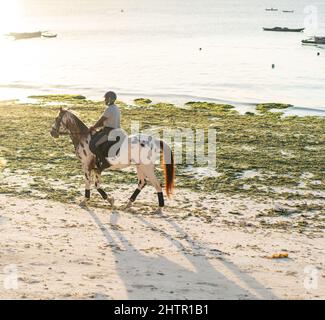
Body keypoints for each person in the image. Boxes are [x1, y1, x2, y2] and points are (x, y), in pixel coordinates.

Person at [89, 91, 121, 170]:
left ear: (110, 99)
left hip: (109, 132)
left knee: (93, 145)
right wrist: (95, 127)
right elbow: (105, 123)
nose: (105, 100)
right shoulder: (116, 108)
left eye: (106, 99)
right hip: (116, 130)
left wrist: (94, 127)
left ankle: (105, 162)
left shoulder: (109, 109)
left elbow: (101, 120)